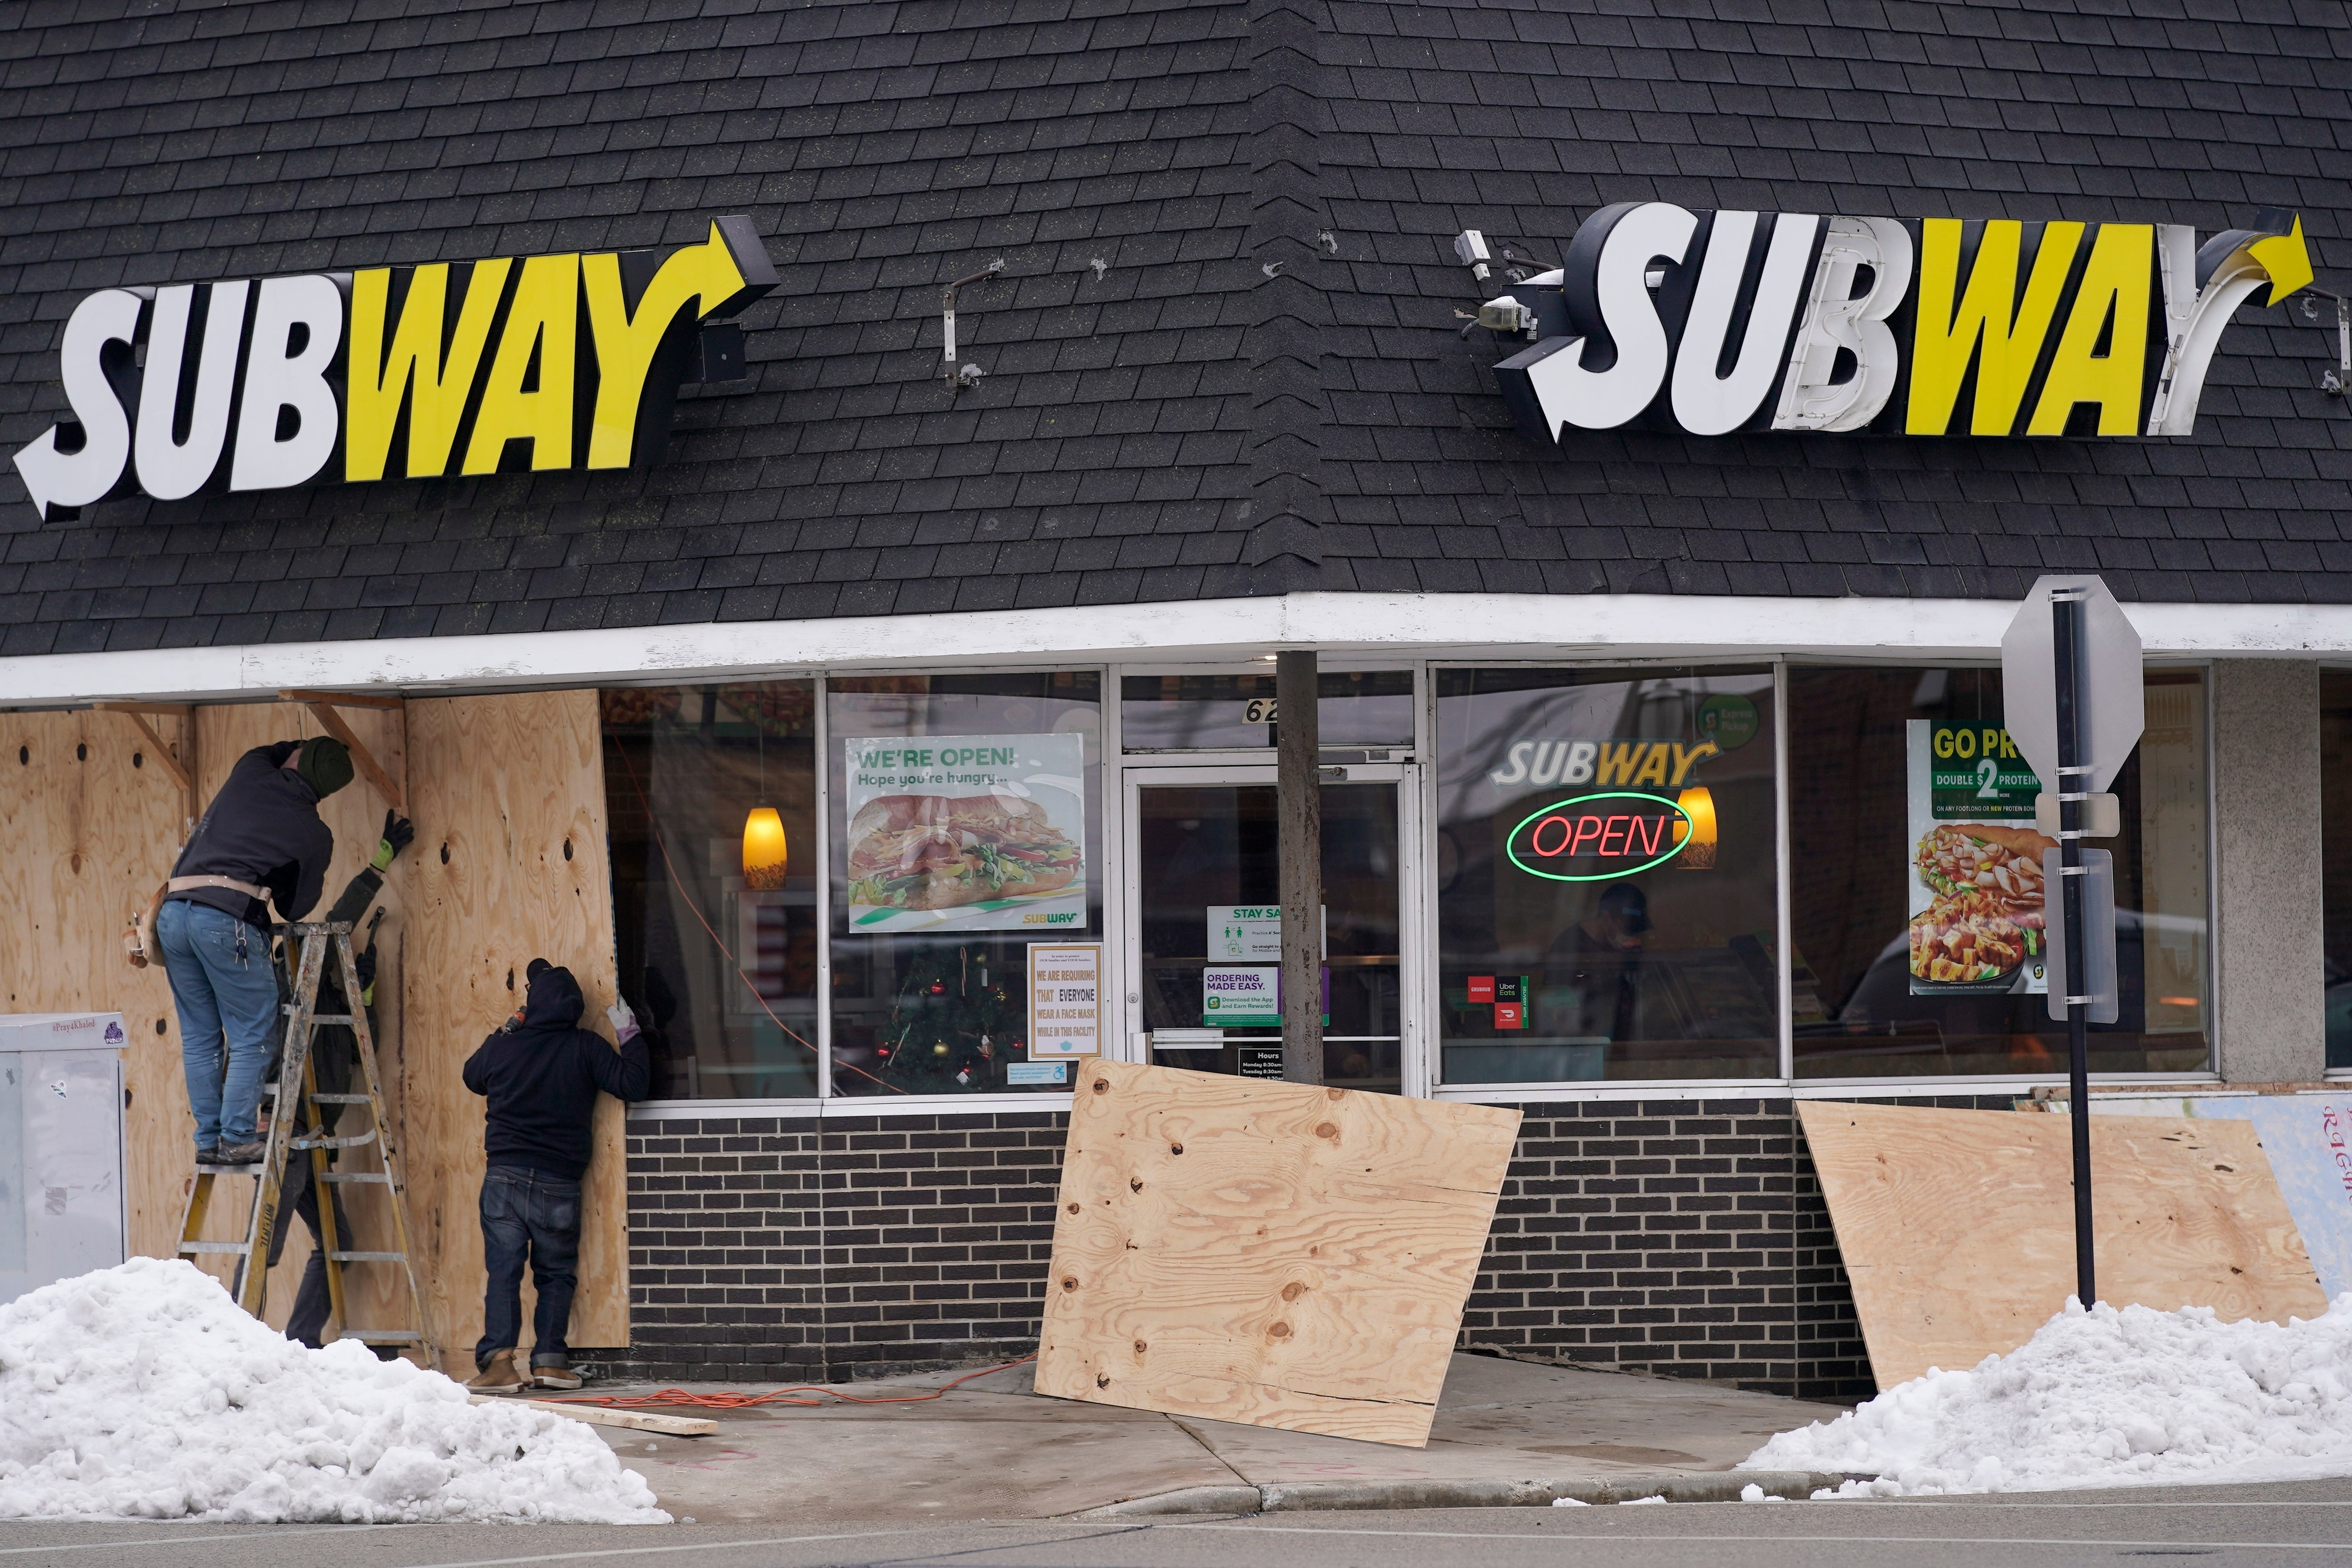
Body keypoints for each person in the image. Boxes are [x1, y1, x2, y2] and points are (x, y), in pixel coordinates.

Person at [158, 737, 351, 1167]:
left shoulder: (252, 769)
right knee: (251, 1034)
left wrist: (302, 742)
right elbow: (295, 907)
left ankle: (209, 1139)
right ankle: (237, 1138)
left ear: (295, 759)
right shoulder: (313, 833)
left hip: (173, 917)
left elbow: (272, 749)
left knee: (200, 1036)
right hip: (226, 922)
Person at [461, 959, 649, 1393]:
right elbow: (634, 1084)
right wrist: (630, 1034)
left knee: (504, 1271)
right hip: (558, 1183)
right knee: (555, 1274)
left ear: (533, 1004)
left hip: (505, 1178)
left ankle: (500, 1365)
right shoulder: (586, 1046)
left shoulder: (507, 1044)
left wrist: (509, 1026)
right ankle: (549, 1362)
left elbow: (473, 1077)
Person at [262, 812, 414, 1350]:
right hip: (286, 1133)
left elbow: (353, 1054)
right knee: (266, 1245)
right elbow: (338, 922)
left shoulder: (325, 1002)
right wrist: (380, 864)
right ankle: (239, 1350)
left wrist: (364, 996)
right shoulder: (289, 976)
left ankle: (299, 1344)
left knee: (337, 1243)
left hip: (313, 1138)